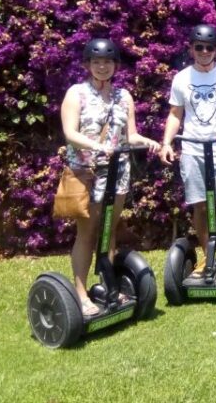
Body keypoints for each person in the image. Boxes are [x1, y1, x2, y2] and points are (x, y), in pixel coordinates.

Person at [60, 38, 160, 316]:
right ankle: (80, 294)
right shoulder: (76, 94)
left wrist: (149, 142)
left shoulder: (122, 96)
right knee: (87, 233)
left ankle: (107, 285)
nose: (102, 67)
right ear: (88, 65)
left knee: (109, 230)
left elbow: (130, 134)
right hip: (88, 174)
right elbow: (70, 133)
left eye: (107, 62)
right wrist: (96, 146)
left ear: (115, 65)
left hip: (118, 172)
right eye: (96, 62)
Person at [159, 24, 216, 282]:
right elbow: (175, 114)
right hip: (192, 149)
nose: (204, 52)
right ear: (191, 49)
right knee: (199, 205)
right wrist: (166, 142)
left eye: (209, 47)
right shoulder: (182, 78)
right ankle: (208, 257)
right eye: (199, 47)